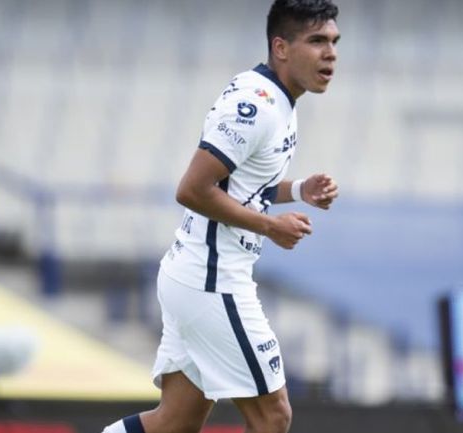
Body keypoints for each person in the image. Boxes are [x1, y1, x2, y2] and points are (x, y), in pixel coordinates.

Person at [101, 1, 340, 432]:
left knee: (173, 422)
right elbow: (192, 190)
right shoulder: (259, 107)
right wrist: (270, 227)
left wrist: (299, 191)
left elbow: (240, 187)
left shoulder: (277, 98)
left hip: (192, 275)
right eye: (317, 41)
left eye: (334, 42)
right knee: (274, 415)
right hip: (212, 281)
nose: (331, 53)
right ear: (281, 48)